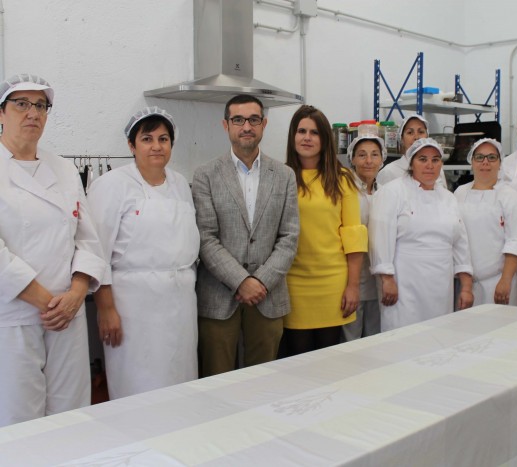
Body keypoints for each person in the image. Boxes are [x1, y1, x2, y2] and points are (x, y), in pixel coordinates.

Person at [0, 74, 105, 426]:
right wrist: (47, 302)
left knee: (70, 416)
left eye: (40, 105)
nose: (32, 113)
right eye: (21, 104)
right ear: (1, 113)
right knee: (18, 421)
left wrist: (76, 294)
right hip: (13, 318)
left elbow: (88, 238)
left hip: (67, 316)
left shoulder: (62, 169)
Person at [88, 107, 199, 399]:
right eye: (147, 139)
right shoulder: (111, 186)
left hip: (181, 304)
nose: (156, 146)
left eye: (163, 139)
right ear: (131, 145)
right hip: (132, 307)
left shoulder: (180, 184)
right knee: (138, 385)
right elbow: (96, 251)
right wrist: (106, 308)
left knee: (181, 381)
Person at [193, 95, 299, 376]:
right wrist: (241, 281)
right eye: (238, 120)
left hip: (268, 295)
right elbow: (206, 238)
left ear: (264, 124)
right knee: (216, 381)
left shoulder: (285, 175)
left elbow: (289, 237)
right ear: (225, 125)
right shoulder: (205, 175)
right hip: (218, 296)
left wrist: (260, 281)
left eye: (253, 119)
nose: (246, 126)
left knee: (262, 382)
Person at [284, 105, 367, 355]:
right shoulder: (282, 176)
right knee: (297, 360)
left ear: (325, 139)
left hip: (332, 284)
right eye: (301, 131)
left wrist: (352, 286)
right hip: (293, 284)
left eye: (315, 132)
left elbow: (354, 236)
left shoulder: (342, 179)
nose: (307, 137)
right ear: (293, 136)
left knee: (327, 361)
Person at [370, 138, 473, 331]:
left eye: (435, 160)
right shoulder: (393, 192)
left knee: (438, 335)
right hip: (404, 282)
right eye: (423, 159)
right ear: (411, 163)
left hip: (441, 284)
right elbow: (380, 236)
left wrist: (466, 286)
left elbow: (460, 243)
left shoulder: (449, 198)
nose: (429, 165)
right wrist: (387, 278)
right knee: (403, 336)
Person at [454, 138, 517, 306]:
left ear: (500, 163)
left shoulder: (511, 197)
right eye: (479, 157)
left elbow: (515, 241)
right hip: (464, 284)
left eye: (491, 157)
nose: (485, 162)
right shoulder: (459, 193)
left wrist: (505, 280)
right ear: (471, 162)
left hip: (499, 283)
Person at [342, 135, 386, 341]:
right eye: (362, 155)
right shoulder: (344, 190)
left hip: (377, 278)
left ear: (382, 159)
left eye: (374, 155)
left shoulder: (386, 193)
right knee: (349, 340)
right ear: (352, 159)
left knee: (375, 339)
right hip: (350, 278)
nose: (368, 161)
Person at [376, 114, 448, 188]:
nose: (416, 137)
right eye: (410, 132)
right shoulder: (389, 172)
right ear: (402, 138)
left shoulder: (435, 169)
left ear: (427, 136)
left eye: (421, 132)